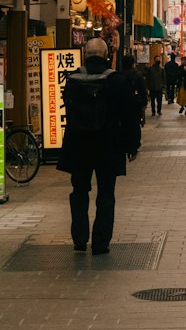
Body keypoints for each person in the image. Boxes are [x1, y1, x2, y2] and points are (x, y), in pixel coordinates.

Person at [58, 37, 139, 254]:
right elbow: (130, 114)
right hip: (108, 145)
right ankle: (101, 242)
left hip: (78, 145)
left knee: (79, 191)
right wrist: (132, 145)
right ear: (107, 55)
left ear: (85, 54)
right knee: (106, 194)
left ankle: (79, 237)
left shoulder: (72, 80)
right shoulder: (117, 81)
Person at [120, 54, 147, 158]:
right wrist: (144, 103)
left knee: (124, 124)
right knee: (135, 124)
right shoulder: (137, 74)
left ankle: (125, 143)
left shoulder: (119, 74)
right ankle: (135, 145)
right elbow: (142, 90)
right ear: (132, 63)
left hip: (122, 104)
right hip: (135, 103)